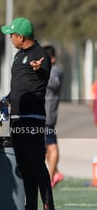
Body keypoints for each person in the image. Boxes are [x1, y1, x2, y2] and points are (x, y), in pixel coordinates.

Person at [1, 17, 57, 210]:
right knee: (24, 165)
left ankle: (49, 208)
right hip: (16, 116)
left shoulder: (39, 55)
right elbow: (20, 84)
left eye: (11, 35)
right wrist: (7, 99)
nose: (10, 38)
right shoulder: (19, 56)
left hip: (32, 117)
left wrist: (38, 69)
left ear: (21, 37)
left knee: (35, 162)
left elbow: (43, 73)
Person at [43, 45, 64, 188]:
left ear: (52, 59)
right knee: (43, 147)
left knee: (52, 146)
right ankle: (55, 172)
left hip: (48, 116)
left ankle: (51, 177)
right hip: (41, 115)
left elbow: (54, 83)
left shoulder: (55, 71)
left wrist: (40, 73)